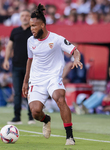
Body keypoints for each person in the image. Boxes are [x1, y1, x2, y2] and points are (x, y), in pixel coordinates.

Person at [22, 4, 83, 145]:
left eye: (34, 26)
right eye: (31, 26)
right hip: (36, 80)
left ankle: (69, 137)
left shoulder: (56, 39)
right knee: (35, 112)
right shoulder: (30, 41)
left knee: (59, 98)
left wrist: (76, 59)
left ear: (42, 25)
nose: (32, 29)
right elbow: (30, 61)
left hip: (53, 77)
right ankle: (46, 120)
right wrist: (25, 82)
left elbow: (74, 50)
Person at [3, 9, 34, 125]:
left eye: (27, 15)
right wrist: (6, 60)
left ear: (30, 18)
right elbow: (9, 46)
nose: (25, 17)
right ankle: (17, 117)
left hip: (30, 67)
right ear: (20, 18)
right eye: (23, 15)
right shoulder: (15, 31)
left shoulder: (33, 31)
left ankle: (31, 117)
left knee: (30, 92)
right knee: (17, 92)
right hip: (16, 66)